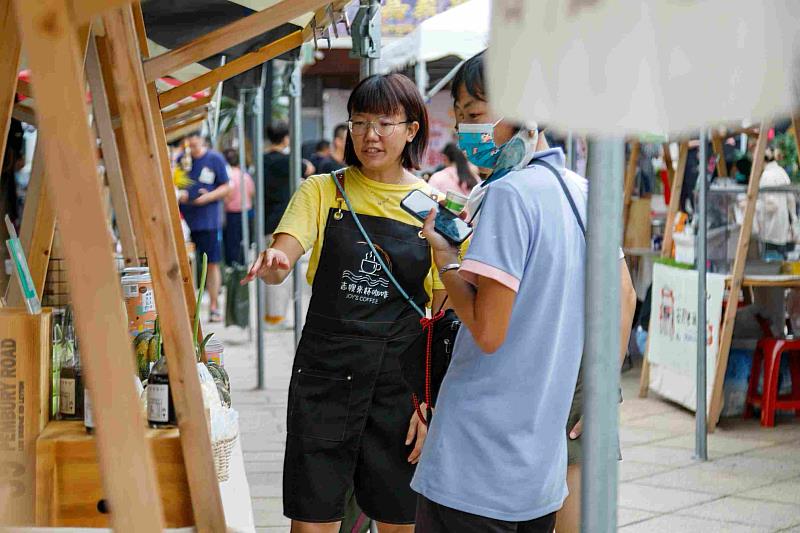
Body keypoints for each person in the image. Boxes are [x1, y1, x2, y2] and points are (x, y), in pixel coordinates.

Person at [411, 52, 636, 533]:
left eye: (475, 114)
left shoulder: (509, 196)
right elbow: (626, 296)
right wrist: (600, 390)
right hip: (537, 474)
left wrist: (444, 258)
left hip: (475, 461)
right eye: (461, 116)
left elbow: (489, 331)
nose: (464, 129)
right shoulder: (581, 191)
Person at [243, 73, 444, 533]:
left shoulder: (433, 206)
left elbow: (440, 314)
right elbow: (283, 258)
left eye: (384, 123)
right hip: (325, 378)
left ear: (412, 129)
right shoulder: (321, 190)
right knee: (313, 516)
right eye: (359, 122)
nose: (369, 135)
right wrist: (274, 261)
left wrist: (430, 403)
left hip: (400, 387)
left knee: (399, 519)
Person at [177, 131, 230, 322]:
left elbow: (226, 186)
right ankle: (188, 307)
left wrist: (206, 197)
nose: (190, 144)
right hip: (184, 222)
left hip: (208, 221)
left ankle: (214, 306)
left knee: (212, 263)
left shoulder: (214, 158)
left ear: (201, 139)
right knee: (186, 264)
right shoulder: (180, 159)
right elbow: (173, 184)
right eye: (187, 141)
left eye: (193, 140)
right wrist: (181, 194)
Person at [755, 144, 797, 258]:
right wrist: (793, 221)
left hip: (770, 230)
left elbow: (771, 206)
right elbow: (791, 199)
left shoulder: (766, 176)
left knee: (771, 264)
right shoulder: (781, 172)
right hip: (783, 228)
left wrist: (753, 205)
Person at [222, 148, 255, 266]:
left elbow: (228, 195)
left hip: (232, 213)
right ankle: (243, 264)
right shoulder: (245, 175)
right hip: (247, 211)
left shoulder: (227, 176)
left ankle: (233, 266)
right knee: (245, 240)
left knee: (232, 242)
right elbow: (252, 192)